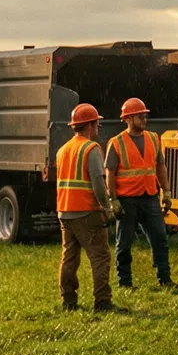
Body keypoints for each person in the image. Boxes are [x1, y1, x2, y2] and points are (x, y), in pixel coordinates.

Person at [55, 103, 120, 313]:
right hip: (87, 211)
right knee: (100, 257)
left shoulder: (63, 150)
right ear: (90, 125)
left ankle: (68, 302)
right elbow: (98, 183)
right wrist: (107, 208)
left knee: (69, 258)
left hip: (65, 211)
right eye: (97, 124)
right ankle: (102, 302)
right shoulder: (91, 149)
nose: (98, 127)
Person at [106, 97, 172, 290]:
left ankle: (165, 279)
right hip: (127, 200)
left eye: (145, 116)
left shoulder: (153, 138)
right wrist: (113, 200)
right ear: (128, 119)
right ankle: (125, 282)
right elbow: (109, 173)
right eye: (140, 116)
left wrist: (166, 191)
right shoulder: (116, 143)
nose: (144, 119)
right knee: (124, 244)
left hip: (150, 196)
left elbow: (160, 166)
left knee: (160, 239)